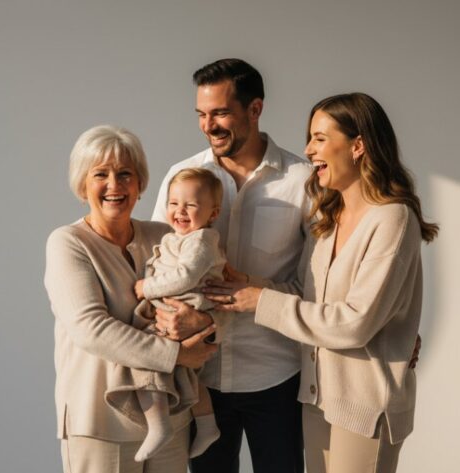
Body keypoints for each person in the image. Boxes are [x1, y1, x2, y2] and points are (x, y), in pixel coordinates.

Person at [205, 92, 438, 473]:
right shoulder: (329, 217)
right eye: (309, 138)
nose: (308, 149)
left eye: (319, 138)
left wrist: (259, 301)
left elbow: (355, 323)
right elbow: (305, 296)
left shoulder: (393, 219)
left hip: (365, 407)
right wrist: (248, 284)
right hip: (318, 400)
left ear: (358, 146)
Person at [150, 59, 312, 473]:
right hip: (199, 377)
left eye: (220, 113)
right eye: (201, 114)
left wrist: (254, 295)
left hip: (275, 374)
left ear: (255, 109)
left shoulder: (303, 181)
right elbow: (158, 265)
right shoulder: (181, 177)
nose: (209, 126)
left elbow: (314, 289)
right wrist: (174, 319)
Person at [43, 125, 218, 473]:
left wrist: (205, 324)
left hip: (173, 417)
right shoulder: (68, 243)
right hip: (100, 422)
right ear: (82, 184)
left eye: (125, 174)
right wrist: (177, 354)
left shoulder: (165, 235)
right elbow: (92, 330)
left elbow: (209, 294)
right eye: (100, 174)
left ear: (140, 183)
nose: (115, 185)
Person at [105, 168, 227, 462]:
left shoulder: (201, 240)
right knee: (185, 372)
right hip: (176, 310)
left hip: (184, 309)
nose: (180, 211)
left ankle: (158, 424)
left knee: (146, 357)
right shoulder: (176, 237)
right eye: (173, 203)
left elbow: (185, 276)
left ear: (213, 213)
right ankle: (208, 425)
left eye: (191, 205)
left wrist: (147, 287)